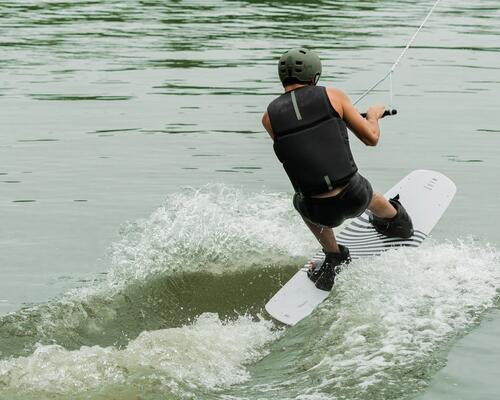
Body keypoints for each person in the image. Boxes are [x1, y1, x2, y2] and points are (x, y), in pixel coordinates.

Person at [261, 47, 413, 291]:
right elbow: (371, 138)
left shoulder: (268, 118)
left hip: (319, 212)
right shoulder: (334, 96)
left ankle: (334, 255)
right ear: (314, 76)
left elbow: (304, 144)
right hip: (356, 198)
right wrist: (373, 115)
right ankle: (397, 221)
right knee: (357, 183)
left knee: (299, 200)